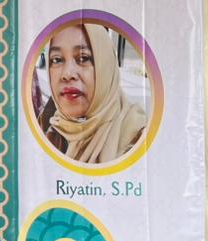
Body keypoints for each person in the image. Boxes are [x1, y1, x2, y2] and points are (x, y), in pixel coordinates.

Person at [35, 21, 147, 166]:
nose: (67, 74)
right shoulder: (47, 122)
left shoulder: (139, 139)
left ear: (106, 66)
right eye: (57, 60)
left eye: (83, 58)